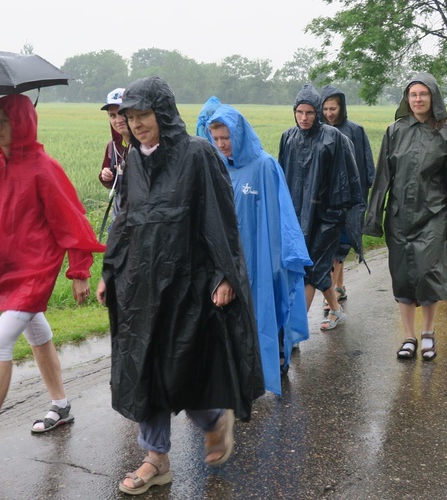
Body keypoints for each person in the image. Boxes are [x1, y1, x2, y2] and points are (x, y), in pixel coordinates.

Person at [97, 77, 264, 496]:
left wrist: (225, 274)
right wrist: (109, 270)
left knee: (180, 365)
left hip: (187, 283)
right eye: (129, 117)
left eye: (142, 116)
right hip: (141, 285)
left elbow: (220, 219)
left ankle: (213, 420)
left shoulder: (197, 154)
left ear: (163, 114)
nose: (135, 125)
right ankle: (156, 459)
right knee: (144, 369)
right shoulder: (134, 160)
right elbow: (126, 220)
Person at [0, 94, 106, 463]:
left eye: (3, 120)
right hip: (4, 271)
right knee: (38, 333)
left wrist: (79, 270)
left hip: (34, 272)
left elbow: (72, 220)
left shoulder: (43, 168)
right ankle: (61, 406)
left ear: (22, 123)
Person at [206, 103, 312, 392]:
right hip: (232, 254)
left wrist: (281, 254)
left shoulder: (264, 165)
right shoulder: (218, 167)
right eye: (215, 139)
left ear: (238, 134)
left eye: (225, 138)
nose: (221, 144)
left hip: (262, 249)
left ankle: (277, 352)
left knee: (267, 301)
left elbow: (280, 212)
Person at [364, 73, 447, 361]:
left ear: (433, 97)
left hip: (434, 214)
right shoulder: (395, 130)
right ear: (407, 99)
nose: (418, 99)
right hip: (398, 215)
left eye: (423, 94)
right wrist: (373, 218)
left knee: (426, 273)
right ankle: (408, 336)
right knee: (404, 276)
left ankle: (429, 332)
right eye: (413, 94)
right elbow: (382, 176)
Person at [278, 83, 362, 331]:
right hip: (298, 215)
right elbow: (283, 176)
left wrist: (339, 215)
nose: (304, 118)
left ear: (317, 113)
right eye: (300, 112)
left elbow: (347, 179)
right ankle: (335, 310)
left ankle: (293, 330)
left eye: (309, 113)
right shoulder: (288, 137)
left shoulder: (333, 138)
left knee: (311, 270)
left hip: (328, 217)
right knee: (314, 267)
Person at [320, 85, 374, 306]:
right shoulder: (318, 132)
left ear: (341, 108)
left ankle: (333, 290)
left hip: (351, 199)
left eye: (333, 108)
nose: (329, 113)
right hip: (326, 200)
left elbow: (367, 164)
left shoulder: (355, 130)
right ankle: (338, 286)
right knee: (332, 245)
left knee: (341, 244)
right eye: (325, 109)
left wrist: (367, 195)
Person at [98, 87, 129, 239]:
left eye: (122, 113)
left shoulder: (146, 145)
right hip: (119, 218)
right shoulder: (113, 146)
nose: (118, 120)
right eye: (112, 115)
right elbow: (112, 183)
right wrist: (106, 176)